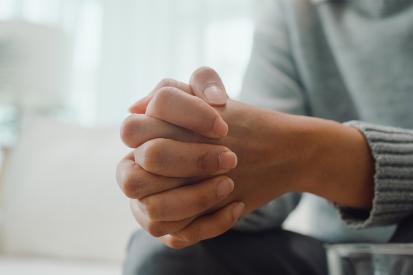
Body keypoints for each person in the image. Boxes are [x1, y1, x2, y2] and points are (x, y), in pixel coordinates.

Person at [116, 0, 413, 274]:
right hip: (342, 258)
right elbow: (265, 165)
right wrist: (199, 179)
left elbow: (286, 149)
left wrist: (312, 153)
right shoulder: (294, 11)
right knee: (164, 256)